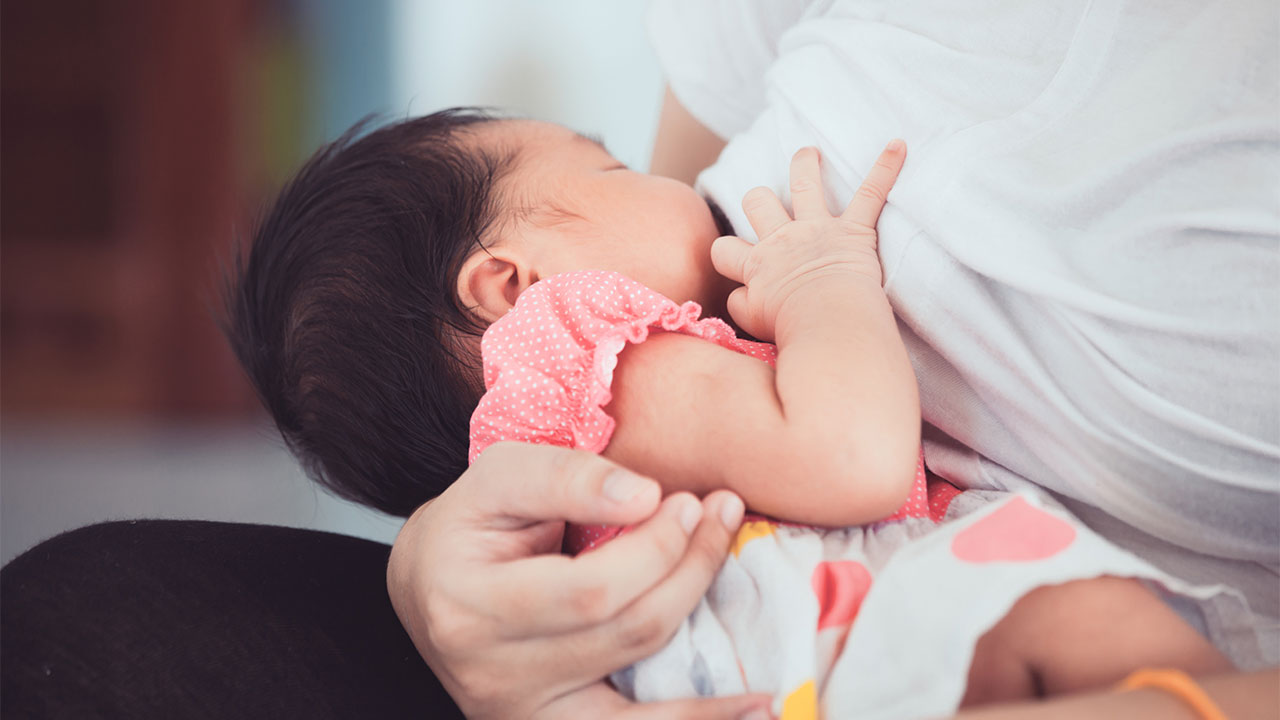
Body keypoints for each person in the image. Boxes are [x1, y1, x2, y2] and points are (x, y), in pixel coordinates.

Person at [389, 0, 1278, 716]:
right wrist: (824, 284)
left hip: (879, 624)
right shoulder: (575, 342)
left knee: (1095, 628)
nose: (665, 181)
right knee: (1088, 624)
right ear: (509, 285)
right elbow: (847, 458)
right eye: (613, 170)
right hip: (857, 628)